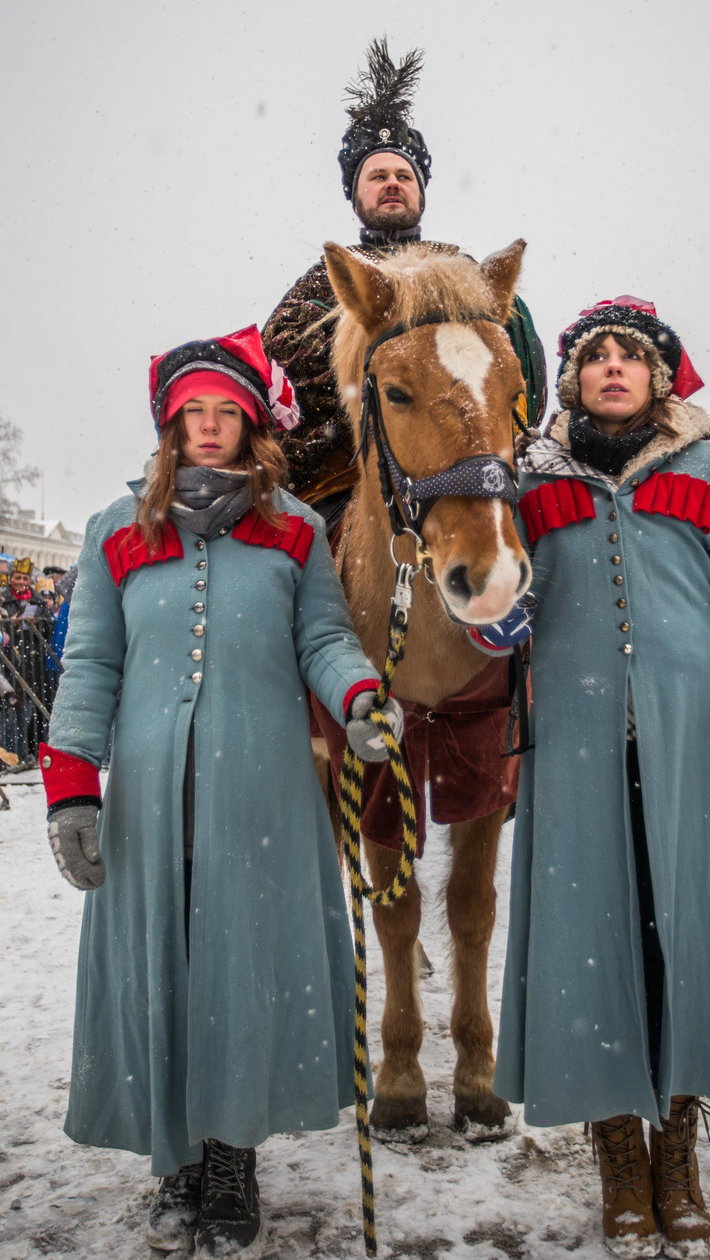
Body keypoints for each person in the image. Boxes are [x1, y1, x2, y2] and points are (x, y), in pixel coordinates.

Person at [39, 325, 403, 1260]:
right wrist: (73, 782)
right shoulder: (115, 531)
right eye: (191, 412)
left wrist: (359, 694)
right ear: (170, 424)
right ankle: (175, 1153)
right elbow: (89, 661)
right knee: (164, 967)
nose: (207, 427)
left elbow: (322, 640)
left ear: (251, 425)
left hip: (261, 798)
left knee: (240, 970)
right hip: (153, 801)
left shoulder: (294, 529)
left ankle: (233, 1152)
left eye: (225, 413)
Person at [494, 298, 710, 1259]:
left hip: (690, 748)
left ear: (659, 377)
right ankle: (619, 1151)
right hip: (575, 750)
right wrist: (494, 621)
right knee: (592, 940)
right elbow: (499, 586)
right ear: (573, 376)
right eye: (595, 355)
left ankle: (678, 1151)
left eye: (631, 355)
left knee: (681, 941)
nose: (612, 367)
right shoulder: (529, 479)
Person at [262, 38, 546, 524]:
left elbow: (525, 385)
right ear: (356, 196)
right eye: (376, 176)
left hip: (472, 462)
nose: (391, 182)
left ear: (420, 191)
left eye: (403, 174)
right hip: (343, 481)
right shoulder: (317, 287)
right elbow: (279, 387)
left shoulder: (467, 274)